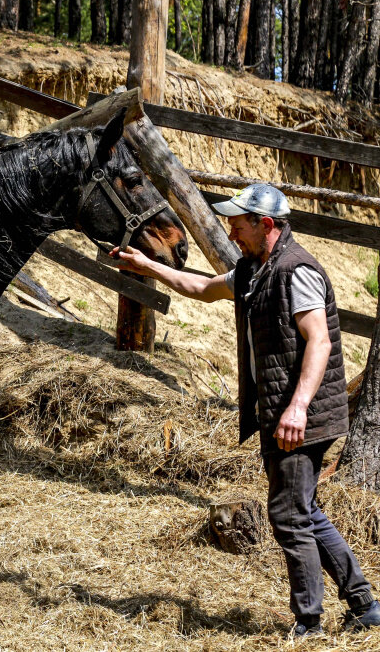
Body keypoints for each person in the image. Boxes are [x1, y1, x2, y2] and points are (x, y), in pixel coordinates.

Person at [112, 184, 380, 637]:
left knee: (288, 515)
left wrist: (297, 408)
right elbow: (199, 287)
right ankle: (364, 604)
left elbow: (320, 340)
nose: (232, 233)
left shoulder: (297, 271)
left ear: (266, 225)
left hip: (302, 415)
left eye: (238, 225)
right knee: (305, 509)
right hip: (281, 411)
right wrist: (147, 265)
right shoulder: (256, 269)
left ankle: (309, 623)